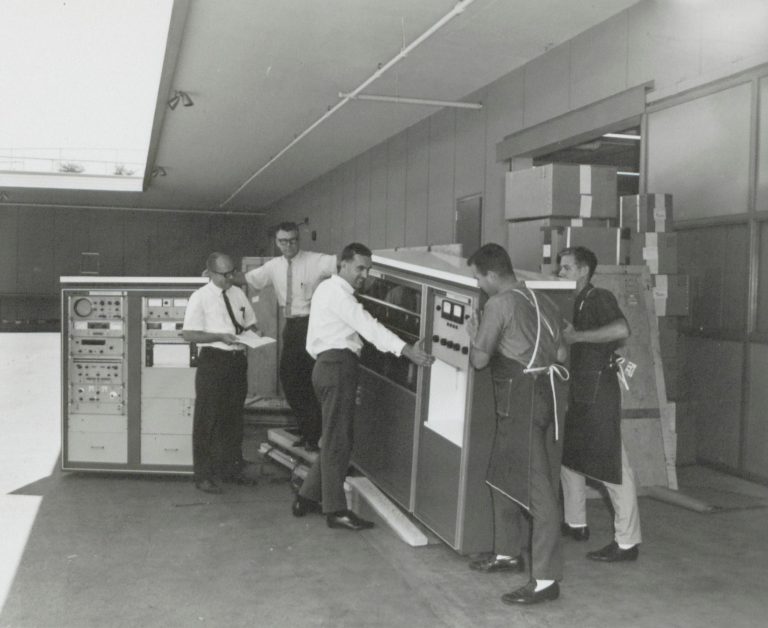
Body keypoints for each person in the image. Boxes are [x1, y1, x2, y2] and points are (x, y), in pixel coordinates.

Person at [291, 242, 435, 530]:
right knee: (338, 440)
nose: (364, 275)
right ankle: (335, 511)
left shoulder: (326, 291)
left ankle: (306, 498)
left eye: (368, 269)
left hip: (326, 365)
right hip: (337, 366)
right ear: (342, 265)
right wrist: (407, 350)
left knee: (334, 434)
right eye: (359, 268)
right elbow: (368, 326)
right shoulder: (338, 293)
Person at [466, 243, 567, 606]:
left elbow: (479, 360)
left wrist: (473, 331)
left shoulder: (498, 304)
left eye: (478, 277)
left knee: (540, 496)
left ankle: (545, 580)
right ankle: (508, 554)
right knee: (500, 474)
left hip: (520, 403)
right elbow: (561, 354)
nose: (478, 285)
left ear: (492, 274)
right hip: (542, 396)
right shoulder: (541, 300)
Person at [557, 246, 642, 562]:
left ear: (582, 271)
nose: (560, 273)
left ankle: (627, 542)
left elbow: (622, 329)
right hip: (578, 391)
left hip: (598, 392)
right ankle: (576, 522)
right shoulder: (572, 303)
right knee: (569, 458)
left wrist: (577, 337)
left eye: (565, 268)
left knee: (613, 466)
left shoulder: (599, 298)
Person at [238, 222, 336, 452]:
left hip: (313, 326)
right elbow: (250, 279)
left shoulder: (315, 260)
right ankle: (309, 431)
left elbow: (343, 264)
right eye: (283, 241)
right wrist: (221, 276)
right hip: (292, 327)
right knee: (292, 381)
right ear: (277, 242)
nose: (288, 245)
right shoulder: (273, 266)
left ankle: (315, 435)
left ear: (298, 240)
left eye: (292, 240)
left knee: (308, 382)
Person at [183, 253, 261, 494]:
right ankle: (203, 475)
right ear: (210, 273)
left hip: (237, 361)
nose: (230, 277)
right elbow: (189, 334)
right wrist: (218, 336)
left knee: (234, 418)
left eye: (232, 273)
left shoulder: (237, 292)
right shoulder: (200, 298)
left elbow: (249, 323)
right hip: (214, 362)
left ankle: (231, 469)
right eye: (224, 274)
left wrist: (256, 332)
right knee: (207, 419)